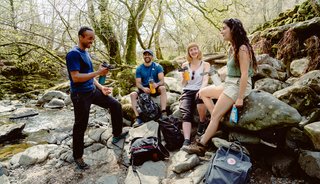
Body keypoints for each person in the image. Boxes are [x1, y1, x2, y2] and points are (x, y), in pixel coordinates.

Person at [184, 18, 257, 156]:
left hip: (237, 86)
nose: (221, 31)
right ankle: (217, 119)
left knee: (215, 116)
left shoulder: (242, 48)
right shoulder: (232, 47)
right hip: (229, 83)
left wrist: (240, 98)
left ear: (233, 29)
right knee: (203, 93)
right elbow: (229, 70)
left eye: (224, 28)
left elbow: (245, 74)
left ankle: (201, 145)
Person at [66, 26, 128, 170]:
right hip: (79, 95)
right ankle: (78, 156)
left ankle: (117, 134)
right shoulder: (73, 54)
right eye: (90, 38)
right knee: (80, 125)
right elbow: (75, 78)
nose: (92, 41)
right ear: (81, 37)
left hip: (92, 90)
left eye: (93, 38)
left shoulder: (86, 53)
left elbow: (89, 75)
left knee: (115, 105)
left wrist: (102, 88)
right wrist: (98, 72)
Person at [179, 43, 210, 150]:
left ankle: (202, 122)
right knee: (186, 113)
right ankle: (186, 140)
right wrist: (184, 77)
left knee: (200, 97)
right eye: (191, 50)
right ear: (188, 52)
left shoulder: (205, 64)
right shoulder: (184, 65)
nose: (193, 52)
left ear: (198, 50)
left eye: (195, 49)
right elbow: (183, 84)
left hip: (200, 88)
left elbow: (205, 79)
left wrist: (201, 90)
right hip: (187, 90)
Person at [130, 49, 167, 128]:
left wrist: (157, 84)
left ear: (152, 56)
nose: (147, 56)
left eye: (149, 54)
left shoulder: (158, 66)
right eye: (145, 54)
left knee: (163, 88)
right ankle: (138, 118)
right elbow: (138, 83)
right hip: (144, 89)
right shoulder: (139, 68)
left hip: (155, 87)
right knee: (132, 95)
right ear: (143, 56)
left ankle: (163, 112)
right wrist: (143, 88)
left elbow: (162, 81)